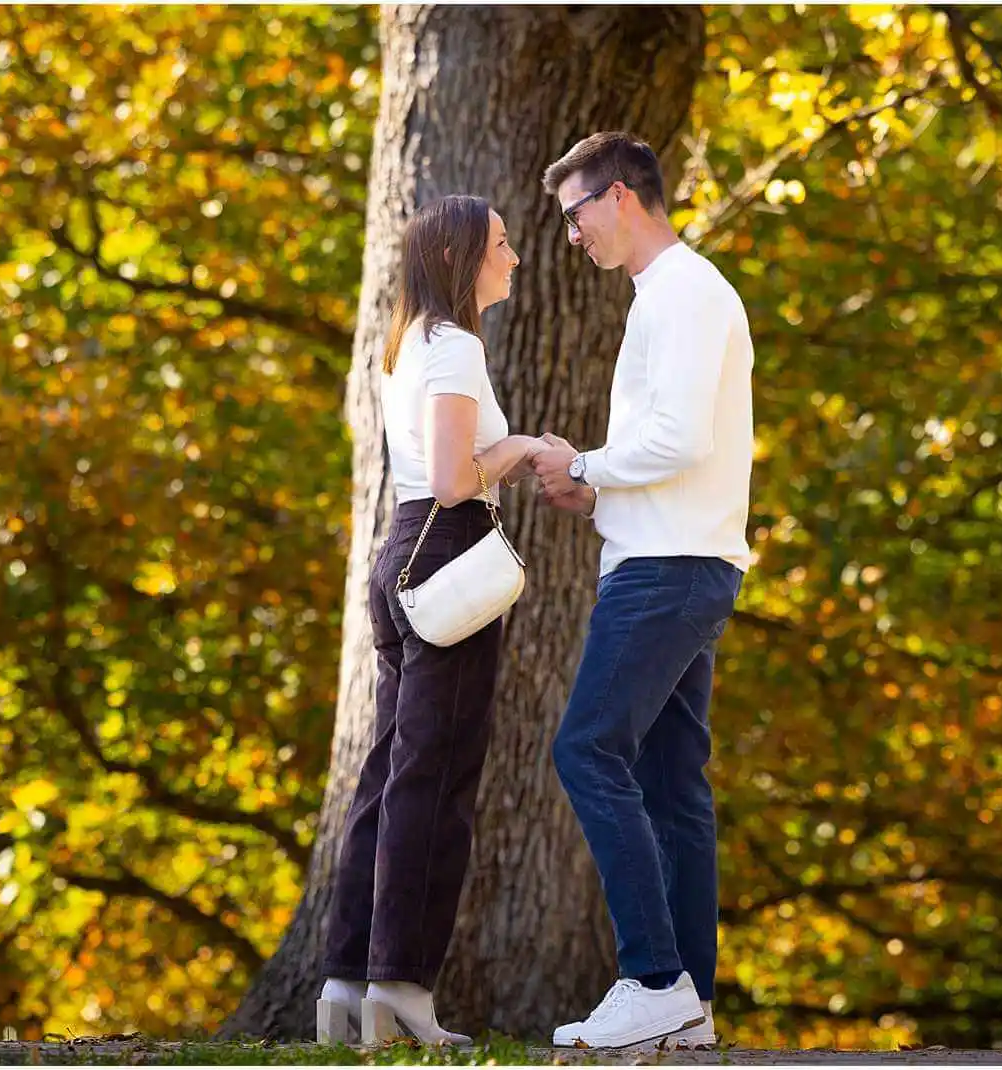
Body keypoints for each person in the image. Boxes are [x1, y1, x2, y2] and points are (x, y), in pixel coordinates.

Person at [531, 131, 755, 1050]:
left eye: (577, 215)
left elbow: (681, 442)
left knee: (586, 751)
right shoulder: (665, 296)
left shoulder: (688, 292)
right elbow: (663, 450)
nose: (573, 237)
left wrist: (582, 461)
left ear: (621, 197)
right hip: (670, 559)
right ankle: (690, 1006)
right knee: (670, 786)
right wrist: (596, 486)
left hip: (668, 573)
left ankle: (654, 975)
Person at [316, 194, 541, 1046]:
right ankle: (402, 988)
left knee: (388, 774)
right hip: (445, 552)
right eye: (500, 244)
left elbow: (438, 469)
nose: (513, 257)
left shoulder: (410, 345)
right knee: (435, 781)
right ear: (460, 259)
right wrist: (521, 450)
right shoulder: (452, 350)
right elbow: (455, 478)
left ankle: (344, 982)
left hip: (404, 552)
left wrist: (495, 464)